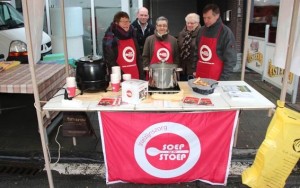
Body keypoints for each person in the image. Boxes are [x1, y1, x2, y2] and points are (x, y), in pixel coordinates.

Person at [194, 4, 237, 81]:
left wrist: (223, 80)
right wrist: (194, 69)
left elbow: (230, 60)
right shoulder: (201, 30)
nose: (206, 21)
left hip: (216, 78)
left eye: (209, 18)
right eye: (204, 18)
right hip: (199, 76)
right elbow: (196, 51)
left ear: (217, 16)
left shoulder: (225, 32)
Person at [102, 11, 144, 80]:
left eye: (127, 21)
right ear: (116, 23)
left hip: (136, 79)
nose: (126, 24)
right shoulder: (110, 39)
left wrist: (142, 77)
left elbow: (138, 59)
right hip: (119, 80)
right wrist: (123, 78)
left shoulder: (133, 37)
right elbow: (110, 62)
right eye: (123, 21)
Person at [178, 13, 201, 81]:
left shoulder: (202, 34)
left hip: (194, 71)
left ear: (197, 23)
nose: (189, 25)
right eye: (188, 23)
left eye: (192, 23)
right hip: (182, 70)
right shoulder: (181, 34)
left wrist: (197, 70)